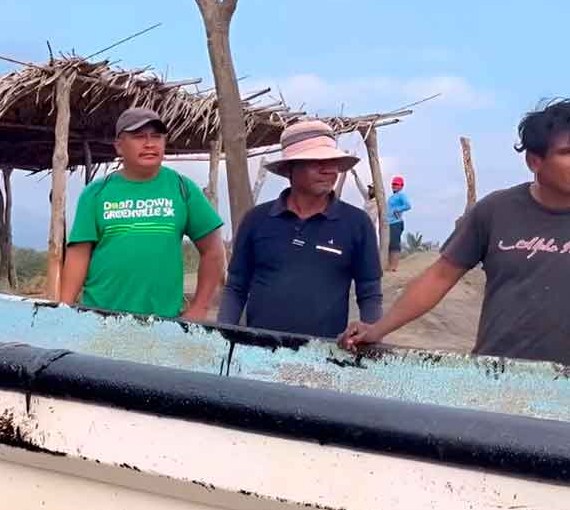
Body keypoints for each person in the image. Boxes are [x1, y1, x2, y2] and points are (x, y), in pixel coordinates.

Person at [340, 98, 570, 367]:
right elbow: (439, 277)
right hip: (491, 379)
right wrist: (378, 328)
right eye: (569, 152)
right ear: (534, 161)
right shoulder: (496, 210)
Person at [218, 120, 382, 338]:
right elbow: (236, 287)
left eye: (333, 162)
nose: (329, 170)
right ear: (290, 169)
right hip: (256, 355)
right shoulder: (256, 220)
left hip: (324, 357)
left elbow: (369, 292)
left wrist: (372, 336)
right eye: (317, 162)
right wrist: (222, 335)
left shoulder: (357, 224)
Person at [61, 108, 225, 320]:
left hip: (163, 324)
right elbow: (78, 255)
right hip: (99, 319)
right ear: (119, 146)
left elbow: (213, 251)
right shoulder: (96, 193)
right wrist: (63, 312)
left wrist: (199, 308)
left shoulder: (183, 189)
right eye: (139, 137)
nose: (149, 144)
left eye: (156, 137)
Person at [386, 175, 412, 271]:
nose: (394, 185)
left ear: (401, 186)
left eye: (396, 184)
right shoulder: (392, 197)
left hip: (396, 222)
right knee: (388, 244)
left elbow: (408, 205)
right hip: (389, 223)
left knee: (394, 244)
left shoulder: (401, 195)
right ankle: (389, 265)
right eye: (393, 184)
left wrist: (398, 209)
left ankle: (394, 266)